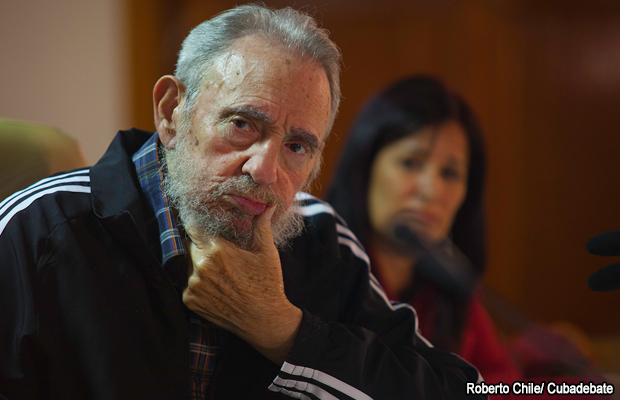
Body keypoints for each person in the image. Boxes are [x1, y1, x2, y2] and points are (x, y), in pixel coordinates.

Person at [0, 6, 485, 400]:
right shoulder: (38, 231)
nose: (265, 171)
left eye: (297, 146)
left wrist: (286, 332)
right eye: (242, 125)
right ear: (171, 112)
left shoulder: (321, 238)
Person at [325, 76, 521, 385]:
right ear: (364, 167)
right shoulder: (317, 269)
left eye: (450, 173)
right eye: (411, 163)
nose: (431, 190)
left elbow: (503, 384)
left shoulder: (451, 287)